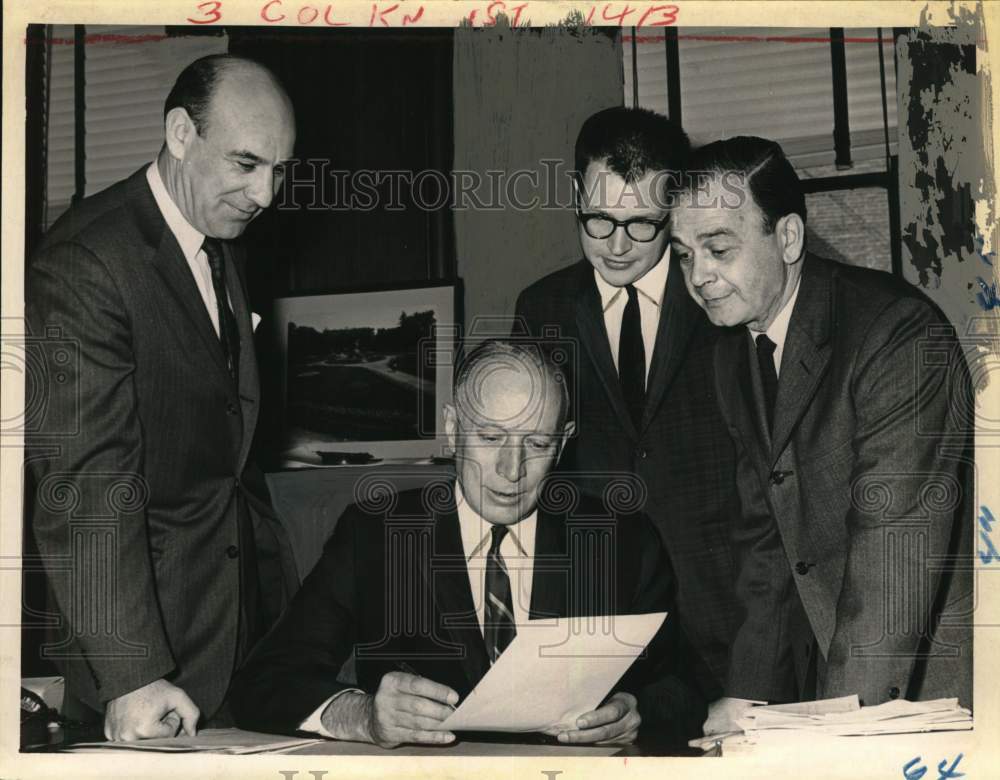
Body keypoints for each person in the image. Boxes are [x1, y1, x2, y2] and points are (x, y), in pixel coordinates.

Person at [231, 340, 714, 750]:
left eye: (537, 443)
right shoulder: (375, 533)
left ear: (563, 443)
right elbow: (264, 683)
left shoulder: (621, 540)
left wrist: (636, 712)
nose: (511, 469)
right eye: (490, 437)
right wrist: (363, 717)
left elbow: (684, 689)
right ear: (452, 427)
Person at [25, 54, 300, 741]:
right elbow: (86, 482)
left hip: (243, 633)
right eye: (246, 164)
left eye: (279, 169)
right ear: (181, 133)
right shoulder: (86, 263)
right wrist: (130, 673)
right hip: (150, 658)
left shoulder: (219, 235)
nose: (265, 194)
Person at [666, 136, 973, 734]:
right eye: (682, 254)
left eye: (718, 248)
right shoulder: (733, 353)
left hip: (930, 685)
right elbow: (768, 548)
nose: (698, 276)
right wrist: (748, 705)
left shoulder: (898, 337)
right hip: (845, 681)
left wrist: (837, 739)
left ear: (787, 238)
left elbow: (892, 567)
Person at [513, 107, 739, 689]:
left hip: (726, 609)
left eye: (642, 223)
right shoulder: (541, 310)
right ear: (575, 197)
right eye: (598, 220)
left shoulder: (725, 300)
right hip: (595, 616)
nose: (617, 246)